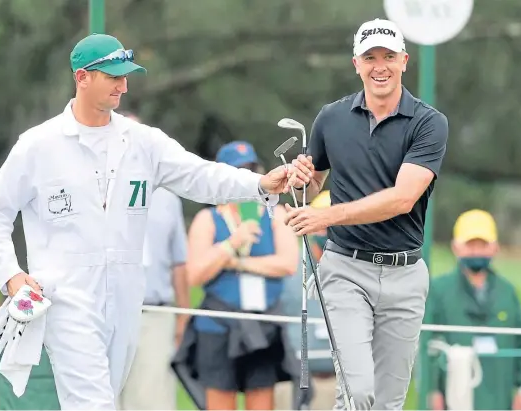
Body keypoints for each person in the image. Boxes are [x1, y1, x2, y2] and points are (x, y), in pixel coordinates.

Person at [0, 33, 313, 410]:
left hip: (125, 295)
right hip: (65, 295)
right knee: (93, 402)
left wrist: (259, 184)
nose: (124, 85)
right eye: (113, 76)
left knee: (107, 394)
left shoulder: (142, 141)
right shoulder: (38, 145)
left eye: (126, 76)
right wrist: (12, 276)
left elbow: (199, 176)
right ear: (82, 77)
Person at [283, 18, 449, 410]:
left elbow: (402, 199)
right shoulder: (331, 118)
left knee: (388, 403)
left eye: (389, 56)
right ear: (355, 63)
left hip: (405, 274)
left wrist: (327, 217)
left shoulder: (429, 123)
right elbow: (313, 186)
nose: (380, 66)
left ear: (404, 61)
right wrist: (301, 179)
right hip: (345, 270)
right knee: (358, 392)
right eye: (370, 57)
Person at [179, 141, 300, 410]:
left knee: (261, 401)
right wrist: (231, 244)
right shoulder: (209, 219)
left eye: (250, 170)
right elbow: (196, 273)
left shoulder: (274, 214)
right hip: (219, 327)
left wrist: (236, 263)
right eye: (238, 172)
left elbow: (287, 264)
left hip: (263, 324)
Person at [423, 209, 521, 410]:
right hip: (453, 395)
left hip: (498, 393)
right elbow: (428, 345)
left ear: (495, 248)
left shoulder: (507, 292)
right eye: (470, 245)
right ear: (456, 247)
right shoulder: (438, 290)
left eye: (482, 245)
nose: (476, 251)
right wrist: (431, 391)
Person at [116, 113, 190, 410]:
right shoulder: (90, 189)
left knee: (152, 400)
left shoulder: (168, 197)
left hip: (154, 314)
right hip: (105, 311)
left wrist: (182, 316)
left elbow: (179, 263)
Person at [274, 190, 336, 411]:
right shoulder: (290, 269)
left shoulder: (358, 272)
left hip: (342, 382)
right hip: (296, 382)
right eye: (325, 225)